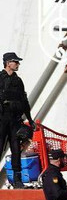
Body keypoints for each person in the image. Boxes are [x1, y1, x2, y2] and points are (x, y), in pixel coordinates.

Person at [0, 50, 34, 188]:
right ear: (8, 63)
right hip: (2, 119)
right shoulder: (0, 78)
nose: (18, 64)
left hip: (15, 120)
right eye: (16, 61)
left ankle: (17, 180)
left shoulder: (18, 81)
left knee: (16, 149)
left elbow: (24, 101)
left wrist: (30, 120)